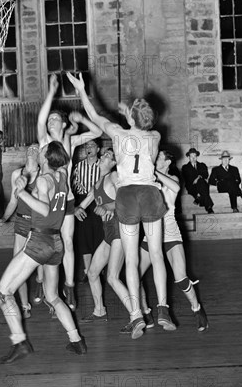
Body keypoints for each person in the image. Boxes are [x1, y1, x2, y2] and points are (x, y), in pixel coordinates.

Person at [66, 71, 168, 340]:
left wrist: (81, 90)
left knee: (131, 262)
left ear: (130, 118)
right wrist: (130, 113)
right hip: (149, 192)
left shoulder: (118, 135)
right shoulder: (155, 137)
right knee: (156, 254)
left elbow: (96, 116)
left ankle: (135, 313)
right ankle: (162, 307)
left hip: (127, 196)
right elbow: (141, 127)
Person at [0, 141, 87, 363]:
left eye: (42, 151)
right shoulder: (62, 176)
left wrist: (21, 192)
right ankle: (77, 341)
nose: (39, 152)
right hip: (56, 243)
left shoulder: (44, 181)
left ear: (45, 158)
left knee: (2, 292)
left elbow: (45, 210)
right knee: (53, 296)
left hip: (40, 240)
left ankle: (20, 342)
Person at [37, 73, 102, 311]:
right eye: (50, 118)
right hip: (46, 199)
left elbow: (96, 132)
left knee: (68, 243)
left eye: (55, 118)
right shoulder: (44, 140)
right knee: (47, 244)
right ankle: (43, 284)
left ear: (63, 124)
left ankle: (71, 287)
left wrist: (81, 117)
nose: (51, 121)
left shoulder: (72, 142)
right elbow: (41, 118)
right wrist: (51, 93)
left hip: (67, 199)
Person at [77, 148, 154, 330]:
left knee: (112, 277)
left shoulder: (114, 177)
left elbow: (126, 199)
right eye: (104, 154)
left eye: (109, 156)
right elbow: (87, 200)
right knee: (93, 273)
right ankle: (99, 311)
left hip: (120, 229)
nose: (105, 156)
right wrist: (76, 209)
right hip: (108, 232)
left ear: (114, 163)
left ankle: (136, 317)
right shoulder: (98, 182)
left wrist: (109, 208)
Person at [138, 151, 209, 332]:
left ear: (168, 161)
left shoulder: (172, 178)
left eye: (159, 157)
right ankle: (145, 311)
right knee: (134, 274)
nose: (155, 158)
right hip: (150, 233)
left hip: (170, 234)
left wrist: (153, 171)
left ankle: (197, 309)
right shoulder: (150, 179)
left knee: (181, 279)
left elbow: (176, 189)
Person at [0, 144, 43, 318]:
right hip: (21, 223)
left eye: (37, 148)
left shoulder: (44, 175)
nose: (33, 150)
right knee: (17, 264)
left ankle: (50, 298)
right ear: (26, 153)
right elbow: (13, 201)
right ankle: (25, 305)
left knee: (43, 265)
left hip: (39, 224)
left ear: (41, 154)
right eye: (30, 148)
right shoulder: (17, 174)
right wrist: (4, 218)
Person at [72, 139, 104, 282]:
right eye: (87, 146)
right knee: (83, 236)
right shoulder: (78, 167)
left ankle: (98, 270)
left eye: (92, 145)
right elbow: (73, 187)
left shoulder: (102, 166)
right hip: (82, 201)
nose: (89, 148)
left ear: (98, 149)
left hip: (99, 201)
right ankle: (87, 270)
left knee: (99, 235)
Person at [181, 148, 214, 214]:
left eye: (195, 156)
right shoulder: (185, 167)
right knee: (202, 184)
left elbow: (206, 175)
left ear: (197, 157)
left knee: (201, 182)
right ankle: (208, 207)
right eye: (191, 156)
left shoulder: (202, 165)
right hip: (192, 186)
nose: (193, 158)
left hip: (202, 185)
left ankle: (199, 197)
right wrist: (197, 178)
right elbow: (187, 178)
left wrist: (198, 177)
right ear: (188, 157)